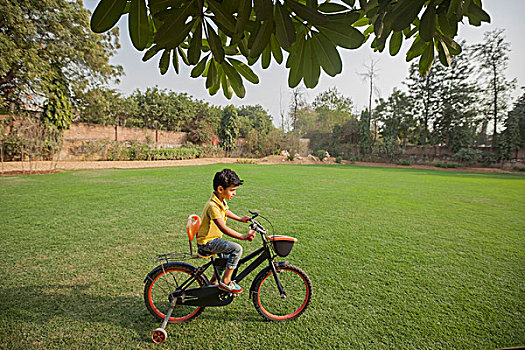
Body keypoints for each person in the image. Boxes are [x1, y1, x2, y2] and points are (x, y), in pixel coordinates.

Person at [196, 169, 255, 293]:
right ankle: (226, 282)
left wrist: (240, 219)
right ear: (220, 189)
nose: (234, 193)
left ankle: (213, 281)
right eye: (232, 190)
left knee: (225, 257)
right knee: (237, 249)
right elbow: (223, 228)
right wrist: (243, 236)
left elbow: (225, 211)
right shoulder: (212, 206)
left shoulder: (220, 201)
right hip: (208, 242)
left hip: (213, 239)